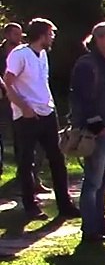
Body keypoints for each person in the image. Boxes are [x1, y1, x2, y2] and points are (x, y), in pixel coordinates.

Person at [4, 18, 78, 221]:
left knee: (57, 159)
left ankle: (65, 204)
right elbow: (8, 83)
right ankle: (30, 205)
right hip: (27, 116)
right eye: (51, 33)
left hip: (46, 112)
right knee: (26, 161)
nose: (53, 37)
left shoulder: (43, 54)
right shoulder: (20, 54)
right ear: (43, 34)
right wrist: (24, 107)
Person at [69, 22, 105, 244]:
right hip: (98, 132)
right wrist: (97, 126)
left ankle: (100, 223)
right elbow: (82, 99)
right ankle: (89, 228)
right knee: (93, 181)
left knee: (104, 181)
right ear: (99, 39)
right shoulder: (86, 64)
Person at [0, 21, 23, 172]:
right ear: (6, 35)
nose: (19, 37)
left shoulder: (23, 53)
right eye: (15, 34)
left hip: (20, 98)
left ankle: (25, 173)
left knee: (21, 136)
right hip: (2, 98)